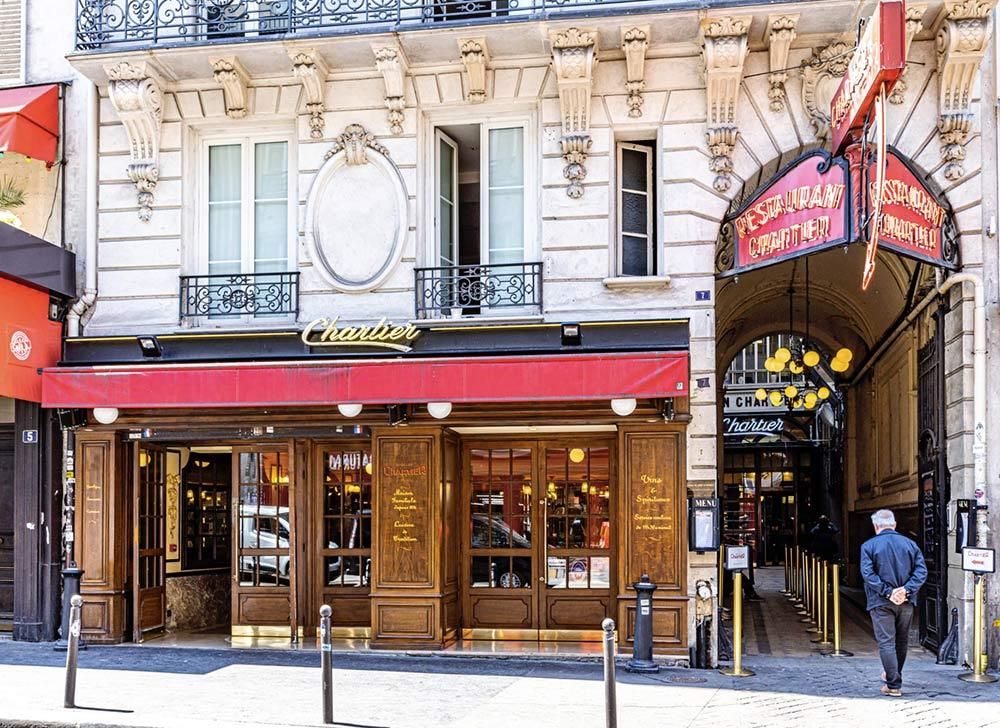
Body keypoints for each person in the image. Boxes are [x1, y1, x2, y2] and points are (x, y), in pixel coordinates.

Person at [859, 509, 927, 697]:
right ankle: (892, 674)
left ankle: (893, 684)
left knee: (886, 642)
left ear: (875, 526)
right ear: (894, 525)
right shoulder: (910, 544)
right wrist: (906, 590)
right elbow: (921, 572)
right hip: (906, 601)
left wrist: (888, 592)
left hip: (880, 602)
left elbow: (868, 574)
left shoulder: (868, 546)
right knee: (901, 640)